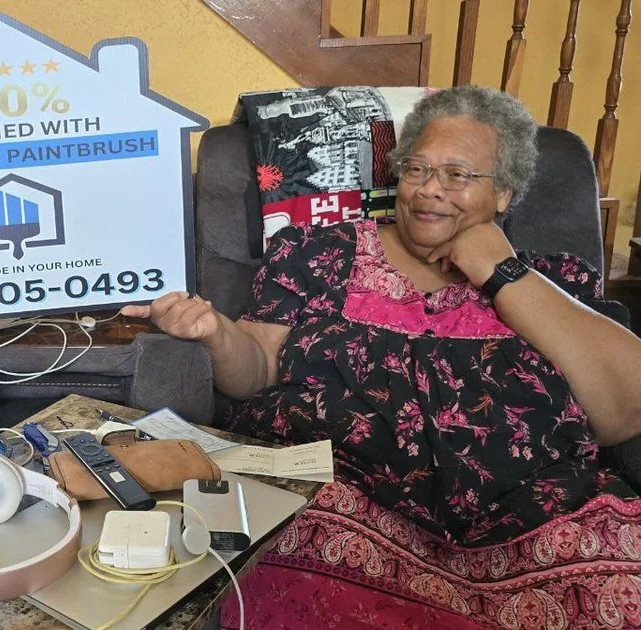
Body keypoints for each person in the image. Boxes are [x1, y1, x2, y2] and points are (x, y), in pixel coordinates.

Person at [125, 85, 641, 628]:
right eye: (416, 169)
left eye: (458, 175)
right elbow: (257, 368)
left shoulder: (550, 283)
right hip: (345, 512)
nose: (429, 191)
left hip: (535, 527)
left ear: (506, 193)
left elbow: (621, 412)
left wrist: (501, 272)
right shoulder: (322, 252)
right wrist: (216, 333)